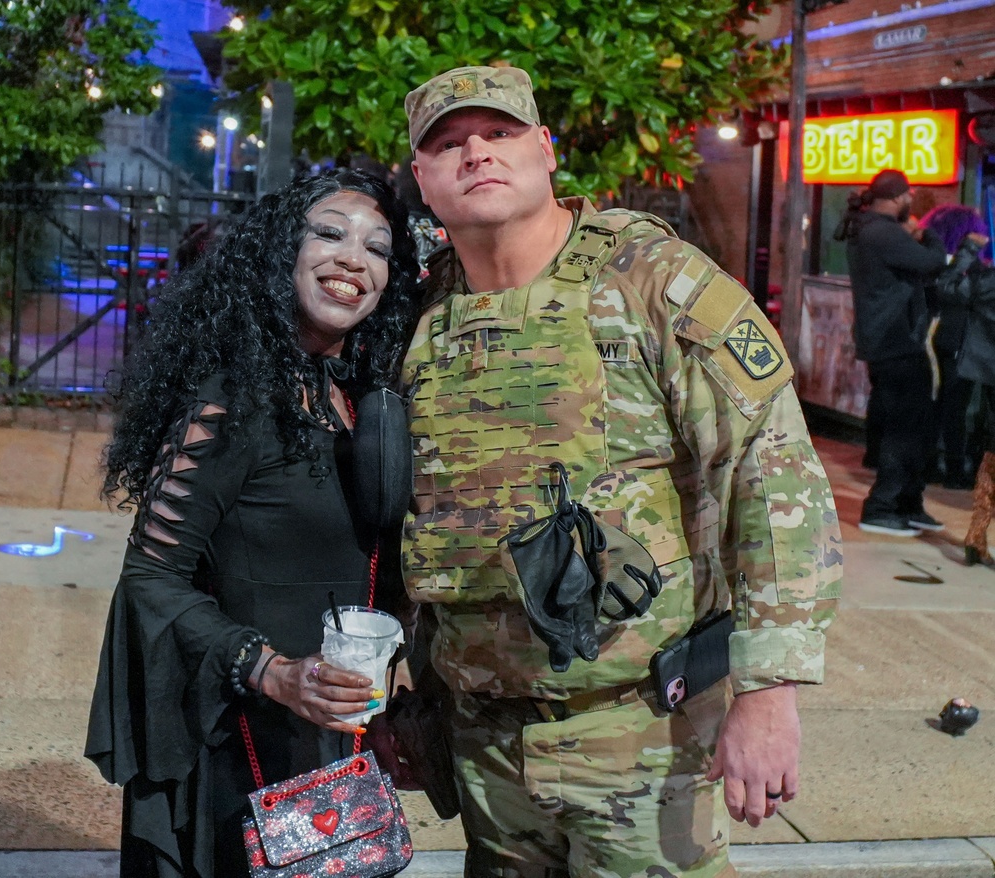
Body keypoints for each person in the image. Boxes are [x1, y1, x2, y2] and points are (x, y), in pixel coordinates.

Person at [399, 65, 842, 878]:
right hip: (484, 741)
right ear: (423, 179)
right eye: (448, 144)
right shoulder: (420, 314)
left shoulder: (654, 281)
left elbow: (772, 476)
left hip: (642, 735)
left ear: (544, 149)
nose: (476, 154)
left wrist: (769, 687)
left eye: (498, 134)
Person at [84, 169, 420, 878]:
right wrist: (269, 670)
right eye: (327, 234)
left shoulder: (355, 399)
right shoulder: (234, 399)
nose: (352, 260)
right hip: (241, 747)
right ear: (280, 253)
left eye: (378, 248)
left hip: (333, 747)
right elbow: (151, 578)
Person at [838, 169, 948, 536]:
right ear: (899, 197)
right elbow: (931, 262)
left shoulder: (869, 229)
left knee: (915, 424)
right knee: (904, 427)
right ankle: (883, 506)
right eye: (908, 197)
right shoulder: (882, 232)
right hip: (894, 340)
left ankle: (908, 503)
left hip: (894, 339)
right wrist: (928, 234)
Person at [935, 221, 995, 567]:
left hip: (988, 379)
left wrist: (967, 251)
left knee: (990, 455)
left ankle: (977, 533)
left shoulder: (986, 282)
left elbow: (947, 286)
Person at [920, 205, 990, 489]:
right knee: (957, 409)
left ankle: (932, 464)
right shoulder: (968, 267)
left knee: (940, 404)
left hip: (934, 338)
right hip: (962, 342)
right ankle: (954, 468)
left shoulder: (931, 261)